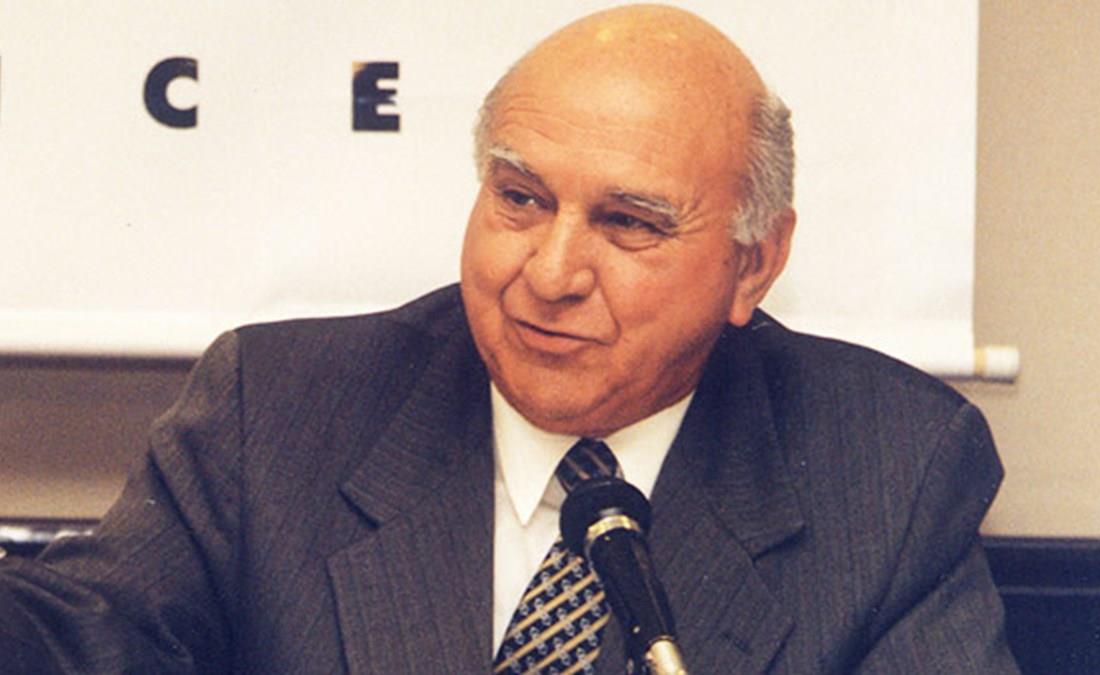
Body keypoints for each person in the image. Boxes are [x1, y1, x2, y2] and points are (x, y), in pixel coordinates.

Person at [0, 5, 1018, 673]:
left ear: (753, 263)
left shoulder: (886, 471)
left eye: (628, 222)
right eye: (521, 198)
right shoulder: (277, 410)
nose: (550, 272)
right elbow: (84, 635)